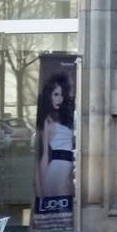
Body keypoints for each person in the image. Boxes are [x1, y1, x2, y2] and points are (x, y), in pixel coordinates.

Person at [34, 73, 75, 203]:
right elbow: (45, 155)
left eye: (62, 95)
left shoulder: (68, 118)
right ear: (49, 95)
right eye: (56, 94)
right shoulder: (47, 121)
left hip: (70, 166)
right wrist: (42, 188)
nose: (59, 99)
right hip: (57, 168)